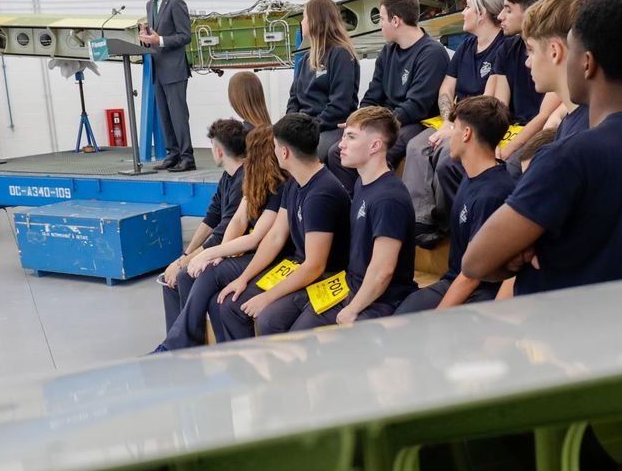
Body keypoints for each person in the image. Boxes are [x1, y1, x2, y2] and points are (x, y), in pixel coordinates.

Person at [464, 0, 622, 296]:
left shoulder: (568, 156)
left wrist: (524, 250)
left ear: (586, 62)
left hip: (565, 332)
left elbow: (476, 262)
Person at [212, 113, 349, 340]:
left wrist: (267, 297)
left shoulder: (321, 194)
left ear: (284, 152)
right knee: (231, 305)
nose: (273, 151)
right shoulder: (295, 182)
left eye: (275, 146)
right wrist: (243, 278)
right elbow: (275, 236)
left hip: (326, 276)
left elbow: (315, 266)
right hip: (298, 267)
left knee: (269, 319)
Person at [154, 125, 288, 352]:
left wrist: (211, 253)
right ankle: (190, 346)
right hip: (250, 252)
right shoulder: (251, 181)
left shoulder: (279, 187)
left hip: (271, 257)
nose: (247, 159)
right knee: (194, 279)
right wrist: (220, 253)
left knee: (207, 274)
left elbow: (258, 238)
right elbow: (236, 221)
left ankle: (179, 344)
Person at [290, 105, 417, 329]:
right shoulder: (361, 183)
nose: (341, 144)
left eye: (350, 137)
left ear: (375, 145)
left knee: (304, 335)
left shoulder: (389, 199)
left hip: (381, 299)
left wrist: (353, 308)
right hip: (351, 284)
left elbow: (382, 271)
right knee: (282, 320)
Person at [400, 0, 505, 242]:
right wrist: (449, 123)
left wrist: (456, 128)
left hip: (480, 125)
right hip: (454, 120)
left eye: (467, 7)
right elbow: (446, 89)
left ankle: (450, 221)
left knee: (448, 155)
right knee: (416, 147)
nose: (463, 13)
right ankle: (421, 222)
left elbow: (494, 105)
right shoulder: (466, 48)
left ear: (481, 13)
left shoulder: (505, 47)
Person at [396, 95, 515, 314]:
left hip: (479, 291)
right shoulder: (470, 178)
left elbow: (473, 276)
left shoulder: (493, 194)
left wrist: (438, 317)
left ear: (467, 133)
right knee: (403, 313)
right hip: (454, 280)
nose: (449, 135)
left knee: (410, 323)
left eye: (454, 128)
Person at [326, 0, 448, 194]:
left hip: (415, 123)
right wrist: (358, 120)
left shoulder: (432, 53)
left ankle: (382, 200)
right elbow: (373, 93)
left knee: (375, 150)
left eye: (381, 19)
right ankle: (354, 205)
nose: (380, 24)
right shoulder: (388, 51)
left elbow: (416, 106)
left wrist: (374, 125)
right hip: (386, 120)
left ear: (396, 21)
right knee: (336, 152)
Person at [160, 118, 247, 336]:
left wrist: (183, 263)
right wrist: (185, 254)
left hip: (235, 250)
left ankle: (190, 343)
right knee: (169, 280)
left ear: (218, 151)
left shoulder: (244, 180)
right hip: (223, 246)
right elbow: (211, 218)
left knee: (183, 276)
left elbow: (220, 235)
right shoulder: (227, 177)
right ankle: (177, 342)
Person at [487, 0, 559, 162]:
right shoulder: (506, 49)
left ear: (530, 12)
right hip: (512, 130)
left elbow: (544, 115)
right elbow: (499, 107)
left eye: (508, 10)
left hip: (541, 133)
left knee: (511, 165)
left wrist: (506, 151)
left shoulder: (555, 49)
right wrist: (491, 142)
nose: (500, 16)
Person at [284, 0, 360, 161]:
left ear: (315, 20)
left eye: (304, 17)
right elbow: (294, 99)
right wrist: (290, 127)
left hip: (329, 128)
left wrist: (310, 130)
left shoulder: (341, 55)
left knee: (304, 156)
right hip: (304, 128)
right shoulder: (305, 60)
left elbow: (339, 106)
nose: (302, 22)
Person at [521, 0, 596, 144]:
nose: (527, 62)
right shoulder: (589, 119)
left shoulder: (579, 139)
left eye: (532, 50)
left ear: (555, 51)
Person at [138, 0, 195, 171]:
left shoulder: (176, 2)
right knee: (165, 115)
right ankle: (173, 154)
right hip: (157, 69)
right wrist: (146, 38)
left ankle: (187, 157)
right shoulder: (150, 5)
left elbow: (185, 36)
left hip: (174, 70)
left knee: (178, 115)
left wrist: (159, 40)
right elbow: (155, 36)